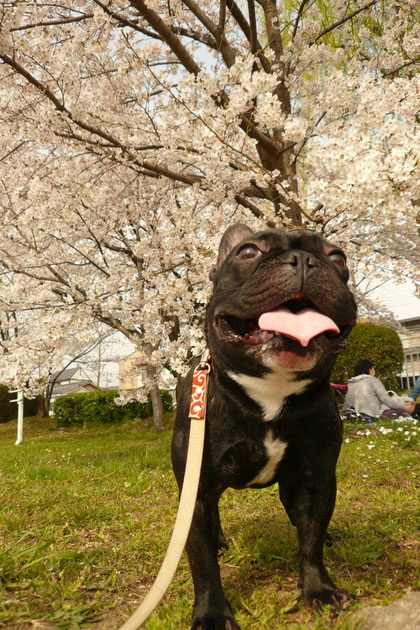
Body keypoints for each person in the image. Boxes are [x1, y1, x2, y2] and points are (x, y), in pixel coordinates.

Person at [345, 359, 415, 422]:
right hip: (371, 417)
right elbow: (389, 402)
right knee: (404, 412)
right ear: (370, 370)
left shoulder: (350, 384)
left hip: (353, 417)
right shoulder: (373, 380)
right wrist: (405, 407)